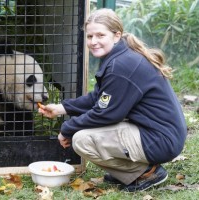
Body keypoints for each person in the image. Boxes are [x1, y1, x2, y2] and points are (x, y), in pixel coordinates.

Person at [38, 8, 187, 192]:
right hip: (158, 133)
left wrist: (67, 129)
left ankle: (146, 172)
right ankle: (130, 173)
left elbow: (107, 114)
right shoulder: (119, 55)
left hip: (160, 140)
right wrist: (61, 108)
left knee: (82, 140)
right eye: (90, 36)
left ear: (116, 35)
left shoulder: (121, 65)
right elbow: (99, 99)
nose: (93, 42)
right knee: (85, 134)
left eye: (100, 35)